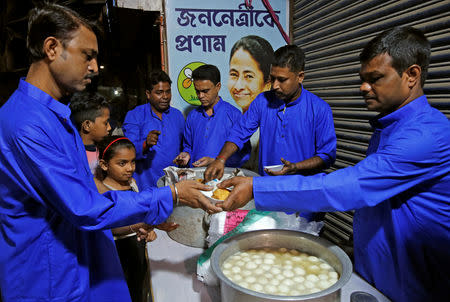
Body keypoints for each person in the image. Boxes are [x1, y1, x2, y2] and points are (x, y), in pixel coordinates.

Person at [0, 4, 220, 302]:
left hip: (79, 261)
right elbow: (84, 207)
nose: (93, 67)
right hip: (49, 279)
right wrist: (172, 195)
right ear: (51, 48)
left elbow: (88, 191)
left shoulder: (56, 116)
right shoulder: (26, 125)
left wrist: (137, 216)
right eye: (87, 55)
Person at [215, 26, 450, 302]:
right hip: (373, 277)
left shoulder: (426, 135)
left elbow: (352, 185)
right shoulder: (388, 126)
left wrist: (258, 187)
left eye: (375, 78)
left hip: (410, 289)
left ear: (411, 75)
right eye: (363, 79)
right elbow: (383, 205)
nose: (363, 87)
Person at [205, 44, 336, 180]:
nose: (274, 86)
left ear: (300, 77)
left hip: (301, 191)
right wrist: (220, 159)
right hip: (265, 187)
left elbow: (327, 156)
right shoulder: (262, 101)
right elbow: (239, 132)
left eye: (282, 80)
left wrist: (295, 167)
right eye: (272, 78)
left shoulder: (320, 109)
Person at [94, 136, 178, 302]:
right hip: (118, 254)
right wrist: (146, 224)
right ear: (104, 165)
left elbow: (138, 216)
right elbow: (110, 227)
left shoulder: (132, 183)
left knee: (138, 286)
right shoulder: (104, 194)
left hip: (137, 248)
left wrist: (149, 230)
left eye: (133, 162)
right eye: (122, 163)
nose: (130, 168)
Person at [173, 64, 250, 168]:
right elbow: (188, 147)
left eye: (205, 91)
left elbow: (244, 154)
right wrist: (186, 155)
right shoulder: (192, 116)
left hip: (224, 178)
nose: (201, 96)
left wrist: (216, 161)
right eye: (197, 91)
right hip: (196, 179)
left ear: (218, 87)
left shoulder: (234, 115)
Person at [123, 70, 185, 189]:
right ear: (148, 94)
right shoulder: (135, 115)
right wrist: (146, 144)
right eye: (159, 92)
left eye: (168, 92)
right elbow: (127, 151)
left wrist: (184, 155)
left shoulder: (177, 115)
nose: (165, 97)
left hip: (173, 185)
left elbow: (184, 146)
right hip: (145, 186)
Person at [228, 35, 274, 113]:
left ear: (268, 83)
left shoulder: (275, 122)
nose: (238, 87)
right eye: (234, 74)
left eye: (249, 76)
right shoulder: (234, 120)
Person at [70, 91, 112, 174]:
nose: (109, 128)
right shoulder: (73, 155)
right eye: (105, 123)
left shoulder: (107, 151)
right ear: (87, 125)